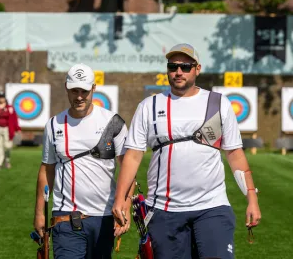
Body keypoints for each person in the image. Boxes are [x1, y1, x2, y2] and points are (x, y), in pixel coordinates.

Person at [112, 43, 261, 259]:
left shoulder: (217, 103)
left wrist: (252, 199)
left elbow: (235, 154)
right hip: (164, 209)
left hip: (212, 206)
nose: (178, 72)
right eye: (173, 67)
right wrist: (120, 200)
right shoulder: (149, 106)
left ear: (197, 69)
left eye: (186, 66)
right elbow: (133, 156)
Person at [34, 63, 134, 258]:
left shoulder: (113, 122)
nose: (79, 96)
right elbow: (47, 169)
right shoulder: (54, 125)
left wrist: (126, 205)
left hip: (105, 217)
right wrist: (40, 213)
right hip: (66, 218)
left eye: (84, 91)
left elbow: (128, 167)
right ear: (66, 88)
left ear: (94, 88)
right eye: (74, 90)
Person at [0, 91, 21, 170]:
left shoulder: (10, 108)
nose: (1, 99)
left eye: (3, 97)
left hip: (8, 129)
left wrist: (17, 128)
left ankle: (7, 160)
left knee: (8, 146)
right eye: (0, 97)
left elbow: (14, 119)